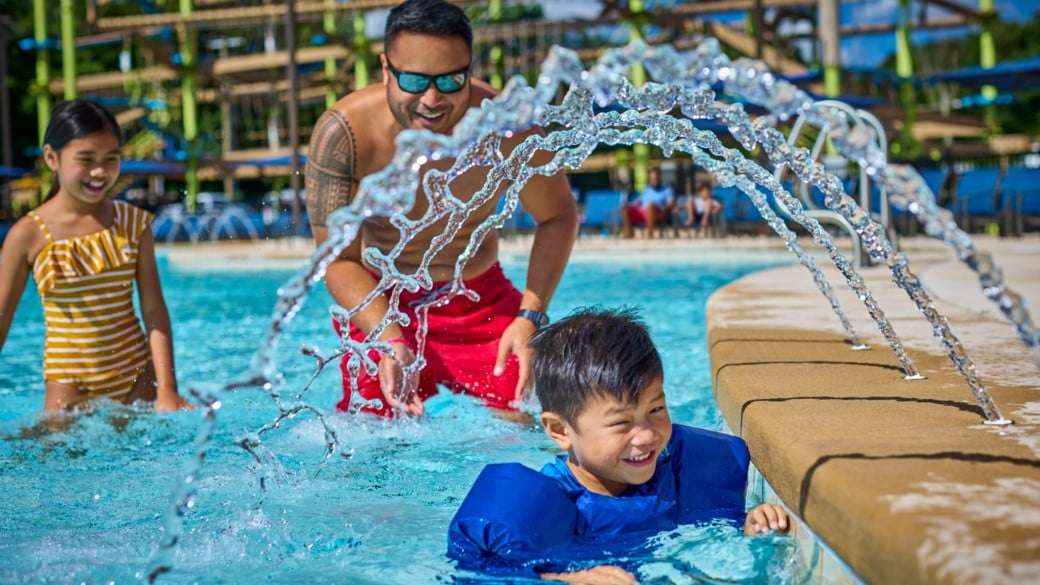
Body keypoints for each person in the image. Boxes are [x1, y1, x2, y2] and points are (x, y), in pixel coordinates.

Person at [304, 0, 578, 418]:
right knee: (371, 440)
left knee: (532, 421)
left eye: (451, 81)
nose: (431, 100)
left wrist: (528, 319)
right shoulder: (345, 135)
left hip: (479, 303)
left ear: (469, 69)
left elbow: (558, 215)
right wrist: (389, 338)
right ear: (385, 68)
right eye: (413, 80)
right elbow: (338, 262)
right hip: (379, 305)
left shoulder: (506, 127)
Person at [448, 308, 789, 583]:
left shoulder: (680, 474)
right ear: (559, 430)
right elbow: (472, 573)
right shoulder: (547, 509)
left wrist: (748, 531)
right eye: (622, 423)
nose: (646, 436)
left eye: (656, 409)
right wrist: (563, 579)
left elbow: (715, 538)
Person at [0, 99, 191, 413]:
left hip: (138, 379)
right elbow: (2, 318)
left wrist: (168, 390)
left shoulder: (134, 224)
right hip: (69, 386)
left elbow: (154, 308)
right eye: (86, 159)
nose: (100, 171)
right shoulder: (27, 235)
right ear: (51, 157)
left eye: (111, 158)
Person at [621, 167, 674, 239]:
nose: (655, 180)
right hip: (643, 212)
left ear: (660, 178)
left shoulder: (667, 190)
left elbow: (671, 203)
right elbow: (639, 201)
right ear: (649, 179)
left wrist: (664, 209)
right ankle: (628, 234)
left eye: (656, 178)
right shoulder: (646, 190)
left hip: (657, 212)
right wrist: (633, 204)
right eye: (652, 179)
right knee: (625, 207)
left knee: (651, 205)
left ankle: (649, 234)